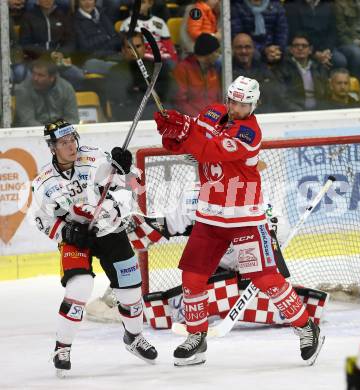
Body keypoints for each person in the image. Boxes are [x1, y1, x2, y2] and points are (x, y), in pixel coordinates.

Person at [153, 76, 323, 367]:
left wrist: (187, 132)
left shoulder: (249, 133)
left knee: (265, 278)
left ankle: (306, 327)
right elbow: (183, 144)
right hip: (209, 215)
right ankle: (197, 337)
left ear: (253, 105)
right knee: (192, 278)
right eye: (232, 101)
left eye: (243, 104)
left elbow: (207, 150)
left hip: (244, 216)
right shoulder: (213, 112)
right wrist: (173, 128)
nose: (235, 108)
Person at [31, 119, 158, 376]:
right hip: (77, 238)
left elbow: (132, 186)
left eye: (72, 140)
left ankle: (133, 337)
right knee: (79, 288)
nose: (71, 147)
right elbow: (42, 220)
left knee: (131, 287)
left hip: (110, 230)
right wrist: (67, 232)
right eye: (63, 143)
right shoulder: (44, 182)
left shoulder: (96, 158)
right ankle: (62, 347)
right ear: (52, 147)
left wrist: (125, 169)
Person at [104, 31, 174, 121]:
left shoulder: (157, 67)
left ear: (144, 48)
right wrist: (144, 89)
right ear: (123, 50)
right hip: (128, 113)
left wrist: (139, 89)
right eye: (130, 47)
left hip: (154, 110)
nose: (135, 51)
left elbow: (167, 91)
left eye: (138, 46)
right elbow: (118, 96)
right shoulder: (116, 70)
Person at [14, 58, 79, 126]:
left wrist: (58, 131)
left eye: (40, 75)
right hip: (31, 133)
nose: (35, 78)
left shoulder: (66, 88)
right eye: (34, 73)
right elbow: (27, 121)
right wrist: (49, 133)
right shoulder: (23, 89)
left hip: (60, 132)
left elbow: (72, 118)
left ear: (52, 78)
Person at [173, 33, 221, 117]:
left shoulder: (213, 69)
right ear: (208, 52)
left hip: (214, 121)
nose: (218, 55)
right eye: (216, 52)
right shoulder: (183, 69)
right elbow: (180, 102)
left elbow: (218, 98)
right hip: (192, 121)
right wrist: (199, 118)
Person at [277, 33, 328, 111]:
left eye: (304, 46)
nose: (300, 48)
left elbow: (326, 93)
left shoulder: (319, 68)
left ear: (310, 50)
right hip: (295, 113)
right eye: (296, 45)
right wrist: (298, 112)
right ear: (291, 49)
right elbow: (282, 97)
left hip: (319, 112)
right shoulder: (283, 69)